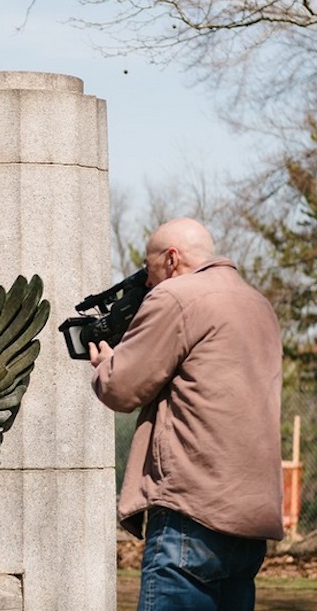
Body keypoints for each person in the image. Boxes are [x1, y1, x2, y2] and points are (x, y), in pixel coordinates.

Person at [88, 217, 283, 611]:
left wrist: (106, 363)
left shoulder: (176, 297)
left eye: (149, 269)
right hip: (250, 521)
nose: (147, 282)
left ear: (172, 259)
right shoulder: (259, 306)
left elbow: (122, 388)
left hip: (190, 514)